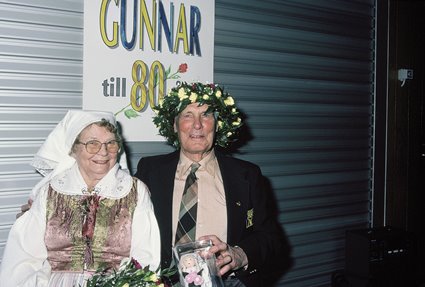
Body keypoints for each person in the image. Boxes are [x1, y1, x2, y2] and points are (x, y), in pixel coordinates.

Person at [134, 82, 292, 287]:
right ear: (174, 125)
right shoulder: (150, 171)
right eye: (187, 115)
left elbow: (271, 239)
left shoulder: (247, 175)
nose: (197, 125)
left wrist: (239, 254)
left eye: (206, 115)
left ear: (217, 125)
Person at [0, 110, 160, 287]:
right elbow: (24, 258)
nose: (103, 151)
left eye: (111, 143)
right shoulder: (50, 191)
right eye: (92, 144)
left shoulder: (135, 191)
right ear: (73, 149)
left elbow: (146, 258)